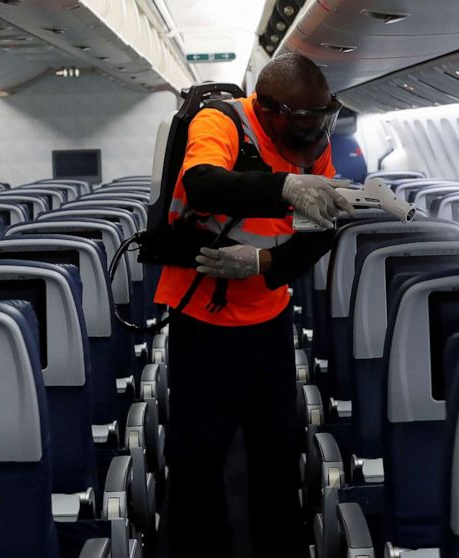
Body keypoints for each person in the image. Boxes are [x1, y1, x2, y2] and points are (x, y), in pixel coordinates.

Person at [156, 53, 355, 557]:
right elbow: (201, 184)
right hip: (203, 316)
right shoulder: (221, 120)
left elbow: (320, 230)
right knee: (199, 459)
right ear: (270, 109)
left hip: (268, 316)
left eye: (322, 119)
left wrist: (266, 263)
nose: (315, 133)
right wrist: (286, 186)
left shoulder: (314, 147)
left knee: (277, 453)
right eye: (304, 120)